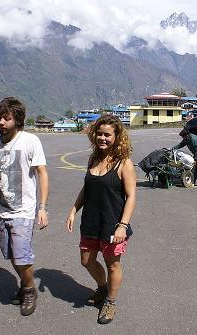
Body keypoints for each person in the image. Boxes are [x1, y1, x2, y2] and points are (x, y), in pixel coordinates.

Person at [0, 97, 49, 316]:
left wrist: (42, 208)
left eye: (6, 118)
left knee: (21, 256)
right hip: (3, 209)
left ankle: (29, 290)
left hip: (24, 210)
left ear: (18, 120)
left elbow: (42, 174)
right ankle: (25, 284)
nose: (1, 123)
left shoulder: (30, 141)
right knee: (11, 255)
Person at [66, 115, 136, 325]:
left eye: (107, 134)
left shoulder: (124, 163)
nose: (102, 138)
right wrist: (73, 209)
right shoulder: (93, 159)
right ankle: (103, 288)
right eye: (99, 133)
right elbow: (87, 188)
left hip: (113, 224)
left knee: (112, 264)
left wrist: (123, 225)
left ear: (117, 137)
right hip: (90, 221)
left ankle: (110, 302)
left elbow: (131, 196)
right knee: (86, 260)